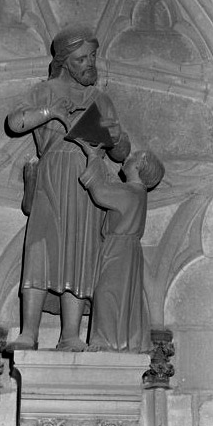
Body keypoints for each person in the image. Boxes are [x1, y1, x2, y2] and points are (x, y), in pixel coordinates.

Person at [5, 24, 131, 352]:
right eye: (80, 59)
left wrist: (115, 136)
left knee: (80, 248)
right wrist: (51, 113)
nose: (89, 63)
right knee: (40, 248)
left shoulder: (99, 98)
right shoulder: (45, 90)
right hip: (52, 173)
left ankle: (71, 335)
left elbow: (120, 153)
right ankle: (28, 332)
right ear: (64, 62)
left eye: (92, 56)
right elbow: (14, 122)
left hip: (88, 178)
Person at [77, 139, 165, 353]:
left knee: (107, 293)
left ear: (139, 165)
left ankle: (105, 341)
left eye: (133, 157)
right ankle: (123, 339)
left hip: (119, 249)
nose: (127, 157)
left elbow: (100, 192)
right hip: (126, 249)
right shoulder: (137, 193)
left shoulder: (130, 192)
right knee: (119, 294)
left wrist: (93, 156)